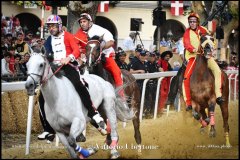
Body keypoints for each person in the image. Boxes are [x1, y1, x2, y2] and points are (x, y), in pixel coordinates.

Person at [38, 14, 106, 140]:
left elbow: (76, 51)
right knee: (42, 96)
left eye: (53, 26)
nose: (51, 28)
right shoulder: (49, 40)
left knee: (78, 85)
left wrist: (68, 58)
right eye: (49, 26)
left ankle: (93, 113)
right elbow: (47, 54)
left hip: (69, 66)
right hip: (54, 68)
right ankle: (48, 129)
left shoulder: (68, 36)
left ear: (59, 26)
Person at [75, 13, 127, 103]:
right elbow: (75, 45)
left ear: (90, 22)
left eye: (84, 21)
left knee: (116, 72)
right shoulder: (79, 33)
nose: (82, 24)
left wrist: (99, 48)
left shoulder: (100, 30)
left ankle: (121, 96)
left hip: (105, 55)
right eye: (81, 22)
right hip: (88, 58)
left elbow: (111, 42)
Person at [182, 12, 224, 111]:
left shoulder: (203, 30)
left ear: (197, 22)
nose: (192, 23)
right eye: (190, 21)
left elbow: (211, 40)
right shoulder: (187, 33)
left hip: (206, 56)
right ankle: (188, 102)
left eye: (194, 21)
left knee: (218, 71)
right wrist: (194, 49)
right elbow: (186, 44)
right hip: (193, 57)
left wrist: (212, 48)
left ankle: (218, 95)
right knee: (186, 78)